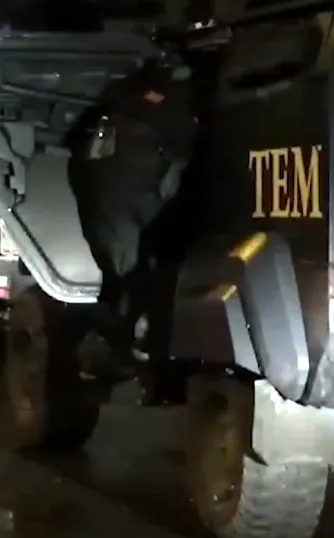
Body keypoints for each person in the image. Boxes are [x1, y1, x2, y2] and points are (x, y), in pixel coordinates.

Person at [66, 56, 198, 367]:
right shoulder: (173, 107)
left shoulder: (117, 99)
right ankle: (125, 347)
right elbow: (183, 156)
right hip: (137, 203)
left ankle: (121, 347)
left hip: (111, 204)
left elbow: (76, 149)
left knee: (121, 276)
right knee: (130, 278)